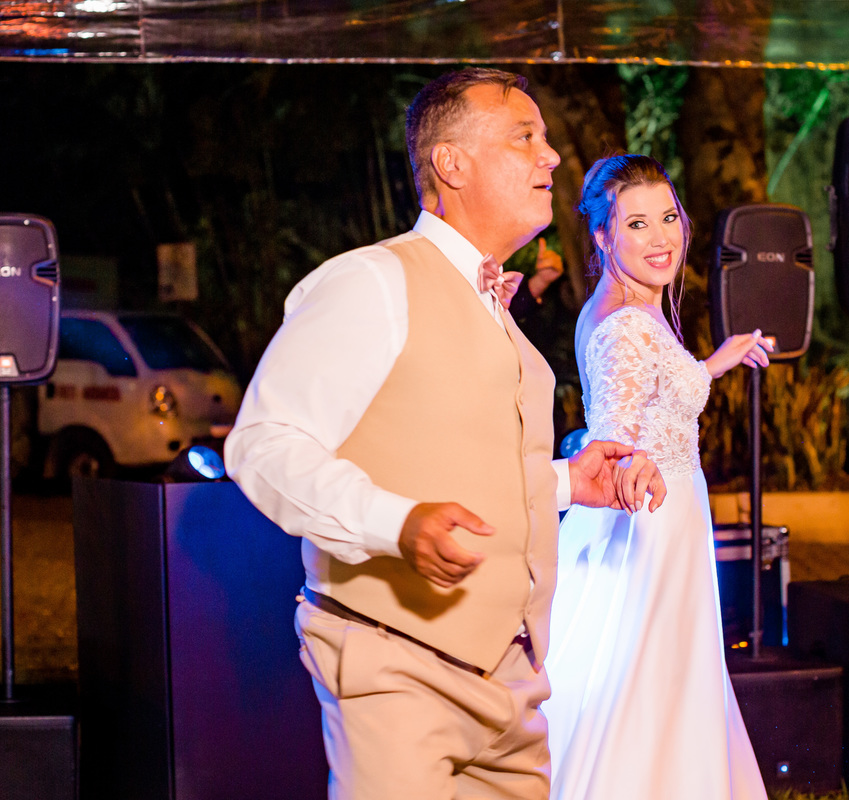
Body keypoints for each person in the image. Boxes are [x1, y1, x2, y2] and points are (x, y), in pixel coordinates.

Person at [225, 68, 667, 800]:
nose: (552, 156)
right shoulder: (374, 280)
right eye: (525, 137)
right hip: (398, 669)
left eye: (546, 139)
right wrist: (397, 524)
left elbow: (457, 459)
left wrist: (567, 482)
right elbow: (264, 444)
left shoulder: (497, 311)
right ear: (451, 163)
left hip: (514, 688)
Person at [541, 153, 773, 800]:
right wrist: (624, 462)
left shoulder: (628, 308)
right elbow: (614, 437)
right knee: (646, 687)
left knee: (663, 685)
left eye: (668, 217)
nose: (661, 237)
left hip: (666, 523)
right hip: (648, 530)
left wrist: (711, 365)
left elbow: (650, 395)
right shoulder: (625, 327)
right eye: (637, 224)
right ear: (602, 236)